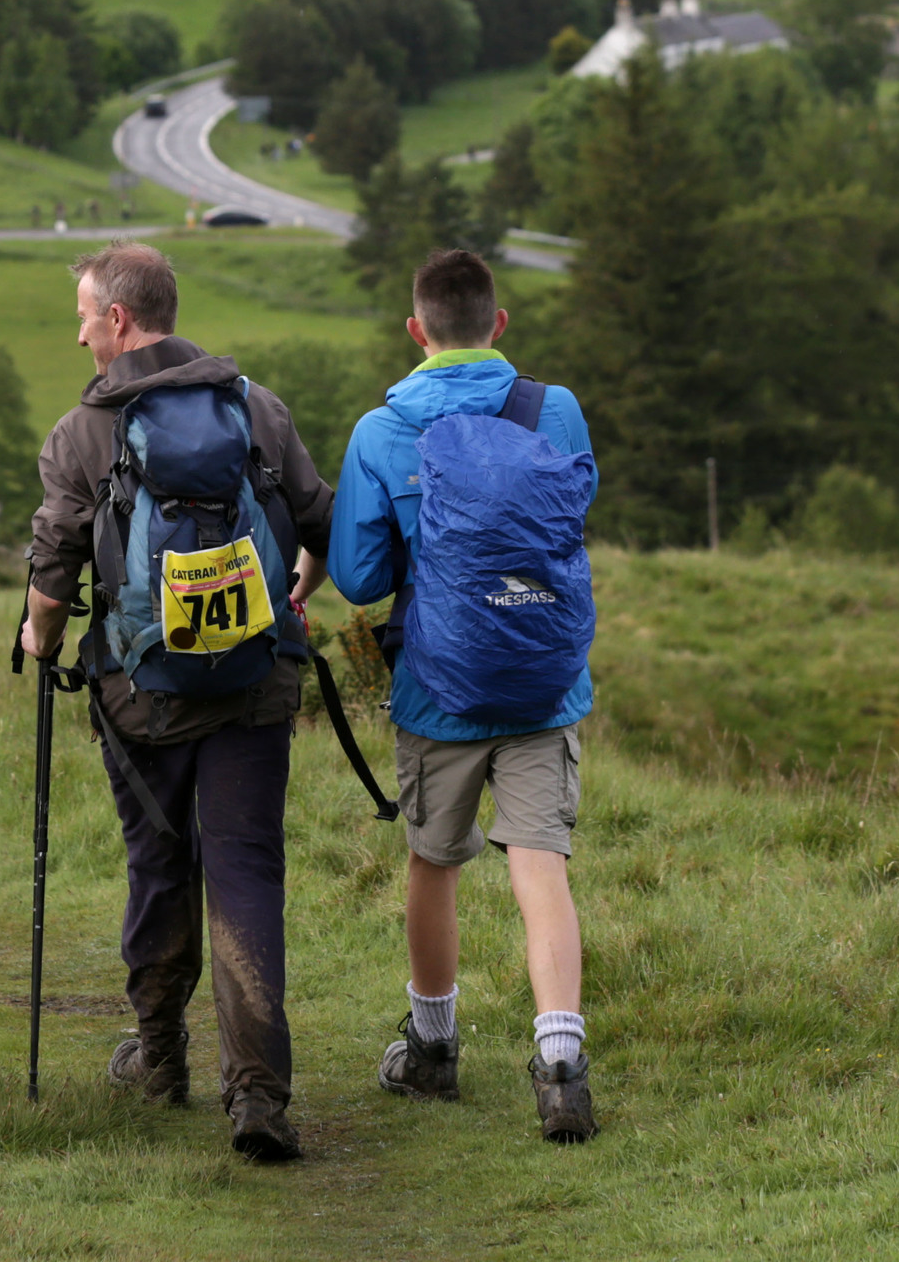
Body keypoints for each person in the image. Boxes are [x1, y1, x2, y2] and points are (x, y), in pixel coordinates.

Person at [18, 242, 332, 1163]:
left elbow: (52, 569)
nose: (78, 331)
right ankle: (259, 1094)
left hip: (141, 695)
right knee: (245, 871)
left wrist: (39, 637)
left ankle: (159, 1062)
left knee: (159, 864)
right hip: (252, 684)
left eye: (84, 314)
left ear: (119, 319)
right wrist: (293, 596)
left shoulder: (83, 433)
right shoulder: (255, 408)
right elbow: (320, 522)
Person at [312, 248, 601, 1143]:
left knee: (434, 860)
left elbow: (359, 581)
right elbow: (571, 518)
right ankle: (559, 1062)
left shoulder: (380, 430)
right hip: (544, 682)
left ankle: (432, 1049)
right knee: (538, 863)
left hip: (437, 687)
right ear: (498, 324)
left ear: (415, 330)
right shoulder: (553, 410)